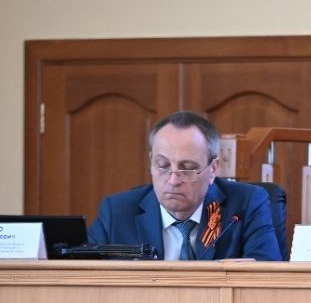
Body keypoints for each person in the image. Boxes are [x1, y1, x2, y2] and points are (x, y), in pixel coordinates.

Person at [88, 111, 281, 261]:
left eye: (187, 168)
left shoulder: (246, 205)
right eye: (162, 165)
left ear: (213, 169)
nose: (173, 180)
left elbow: (265, 279)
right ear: (151, 161)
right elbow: (83, 277)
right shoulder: (116, 213)